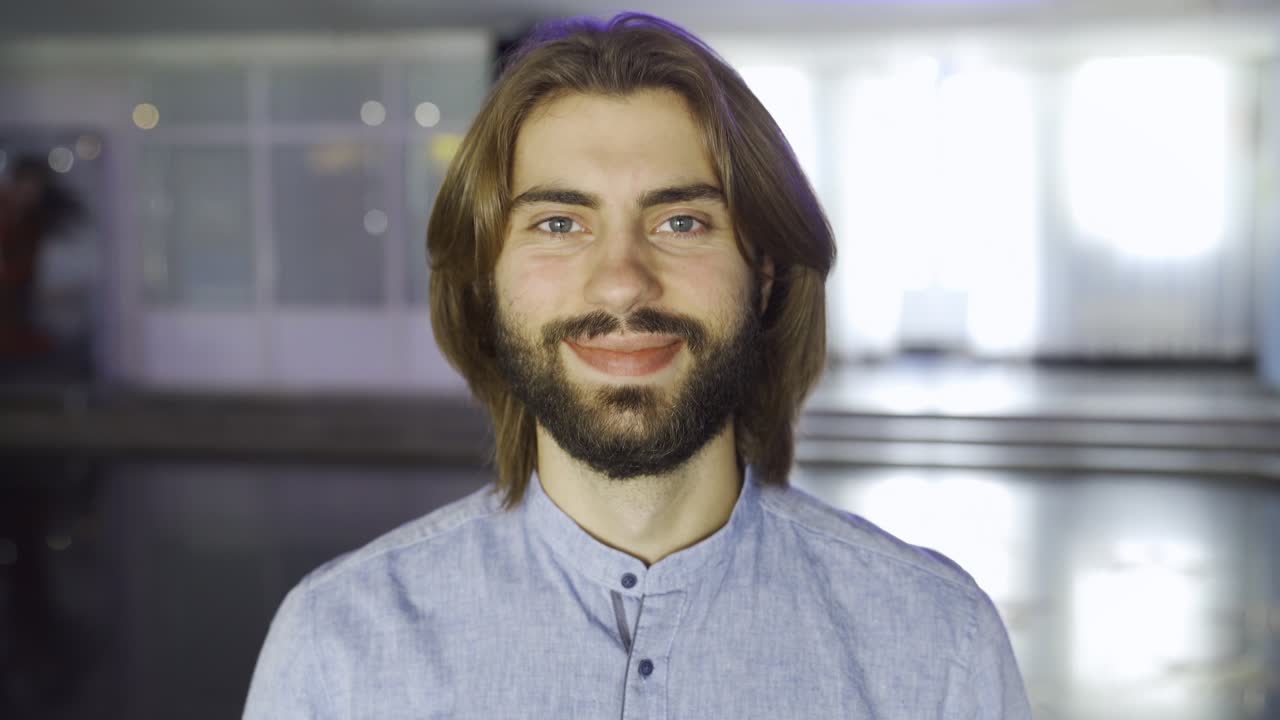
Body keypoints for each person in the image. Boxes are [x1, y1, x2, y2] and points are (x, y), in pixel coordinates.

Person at [244, 12, 1031, 719]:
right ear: (487, 281)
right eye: (559, 222)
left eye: (681, 220)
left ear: (763, 274)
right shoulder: (337, 648)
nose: (622, 278)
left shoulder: (935, 643)